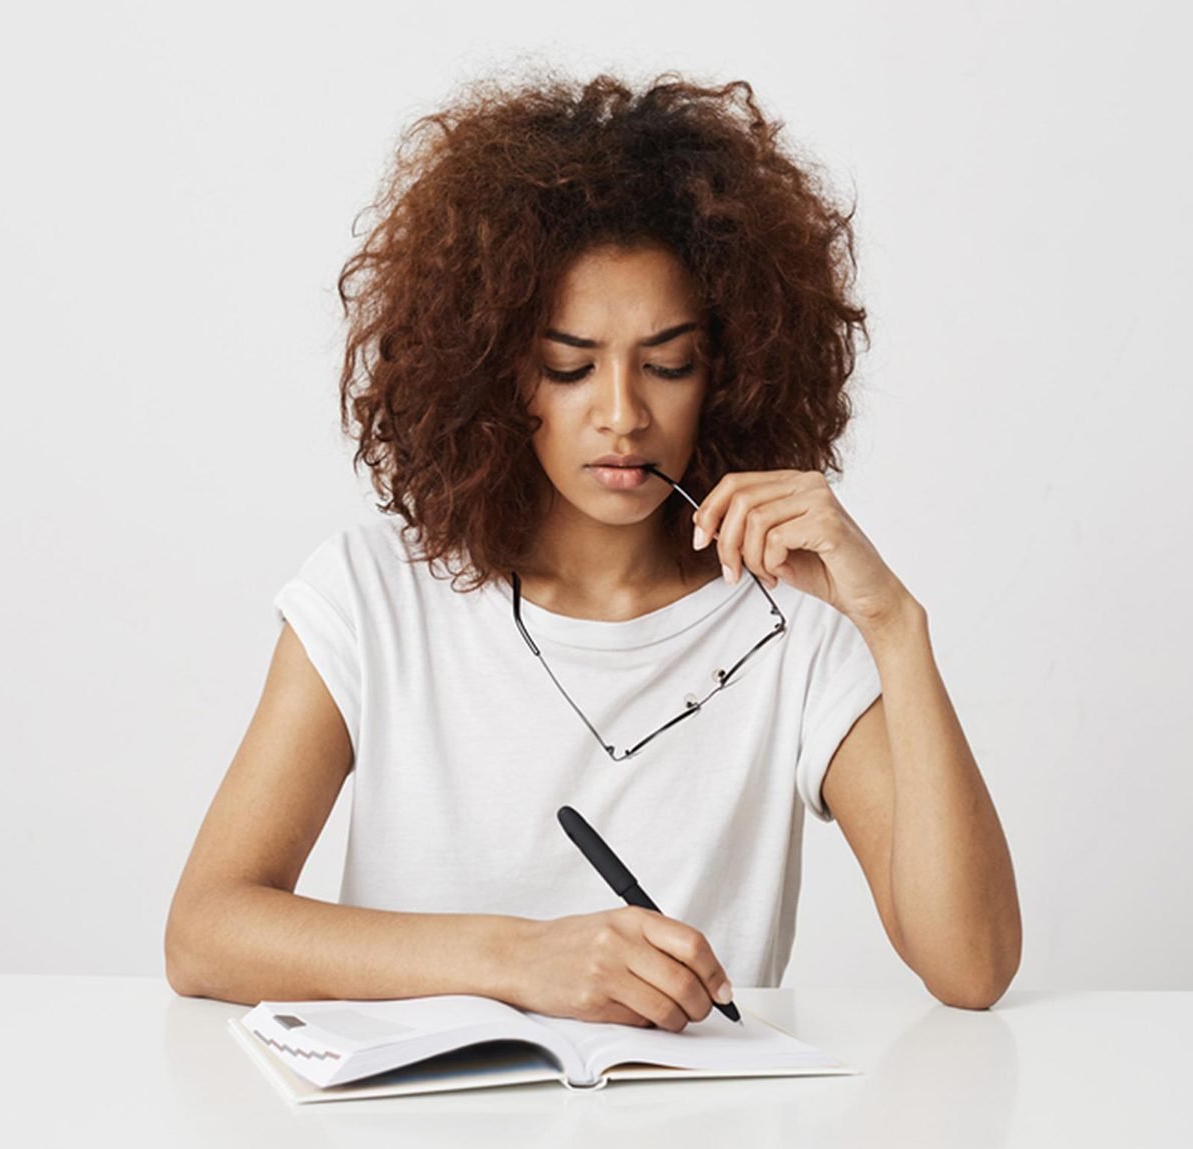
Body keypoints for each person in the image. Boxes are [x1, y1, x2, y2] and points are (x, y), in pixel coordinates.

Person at [164, 70, 1021, 1028]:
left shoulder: (797, 626)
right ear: (492, 371)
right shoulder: (374, 596)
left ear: (728, 370)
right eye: (568, 366)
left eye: (667, 364)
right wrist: (514, 956)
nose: (622, 414)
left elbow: (971, 967)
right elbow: (205, 933)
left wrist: (894, 626)